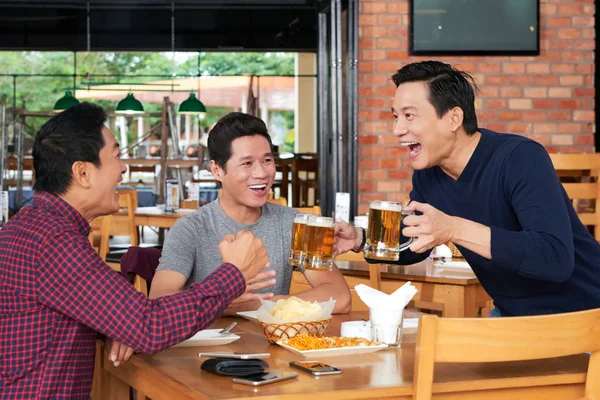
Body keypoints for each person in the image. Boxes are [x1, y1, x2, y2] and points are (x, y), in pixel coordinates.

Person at [0, 103, 269, 399]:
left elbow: (128, 321)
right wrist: (234, 274)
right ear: (83, 173)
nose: (124, 168)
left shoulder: (36, 227)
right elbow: (150, 326)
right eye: (116, 156)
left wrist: (120, 323)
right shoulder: (53, 243)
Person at [334, 60, 600, 317]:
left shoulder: (519, 158)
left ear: (453, 118)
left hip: (584, 315)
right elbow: (415, 241)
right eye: (395, 116)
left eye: (409, 116)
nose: (397, 129)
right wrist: (359, 238)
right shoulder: (428, 175)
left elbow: (554, 259)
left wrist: (454, 228)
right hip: (515, 316)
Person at [149, 112, 352, 314]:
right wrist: (221, 303)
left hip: (273, 344)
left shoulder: (293, 223)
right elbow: (159, 301)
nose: (261, 173)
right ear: (217, 170)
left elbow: (340, 297)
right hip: (207, 344)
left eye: (267, 160)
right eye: (247, 163)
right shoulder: (190, 229)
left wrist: (262, 304)